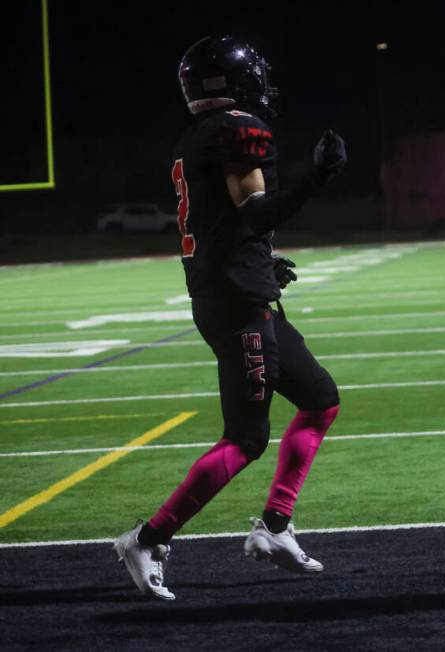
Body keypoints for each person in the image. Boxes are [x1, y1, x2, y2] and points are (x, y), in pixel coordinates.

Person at [113, 36, 347, 601]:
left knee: (320, 400)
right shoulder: (237, 127)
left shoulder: (197, 135)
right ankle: (147, 539)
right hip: (237, 302)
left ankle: (274, 526)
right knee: (245, 438)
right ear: (234, 82)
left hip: (237, 290)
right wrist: (318, 178)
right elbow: (254, 210)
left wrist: (263, 261)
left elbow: (228, 223)